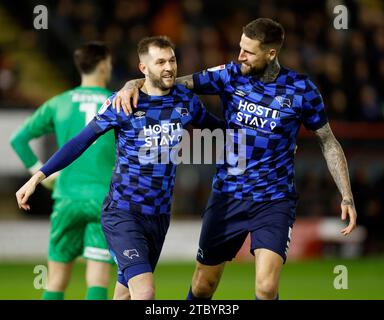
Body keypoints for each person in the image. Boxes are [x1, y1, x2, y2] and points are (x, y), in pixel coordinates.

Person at [113, 18, 357, 300]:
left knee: (266, 288)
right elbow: (172, 83)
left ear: (271, 54)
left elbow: (328, 141)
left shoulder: (302, 90)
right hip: (228, 196)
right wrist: (133, 83)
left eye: (249, 52)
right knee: (203, 286)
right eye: (240, 47)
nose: (240, 55)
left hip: (274, 199)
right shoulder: (230, 74)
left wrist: (347, 195)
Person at [15, 36, 225, 300]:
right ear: (143, 68)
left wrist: (270, 140)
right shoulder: (123, 103)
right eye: (160, 62)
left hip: (159, 215)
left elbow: (218, 128)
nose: (169, 67)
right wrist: (37, 177)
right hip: (123, 213)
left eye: (172, 60)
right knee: (145, 292)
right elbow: (80, 142)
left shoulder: (186, 101)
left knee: (124, 294)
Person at [10, 42, 116, 300]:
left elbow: (18, 139)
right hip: (103, 198)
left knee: (56, 281)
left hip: (66, 196)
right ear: (103, 65)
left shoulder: (59, 103)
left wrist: (40, 175)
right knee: (98, 280)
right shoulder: (117, 103)